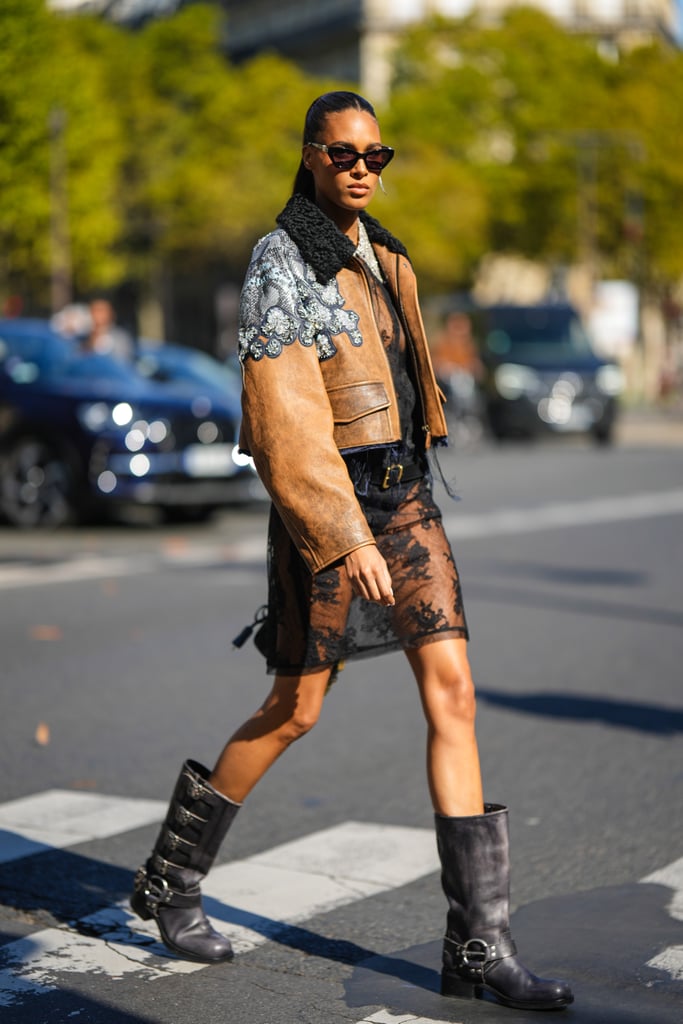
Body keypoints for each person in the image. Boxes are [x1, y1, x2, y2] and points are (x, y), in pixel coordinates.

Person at [131, 91, 573, 1011]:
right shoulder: (279, 259)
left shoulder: (391, 254)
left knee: (453, 692)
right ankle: (170, 879)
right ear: (310, 156)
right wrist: (337, 535)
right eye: (343, 154)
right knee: (294, 710)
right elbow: (285, 416)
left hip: (403, 499)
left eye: (377, 154)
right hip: (327, 510)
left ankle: (479, 949)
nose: (363, 168)